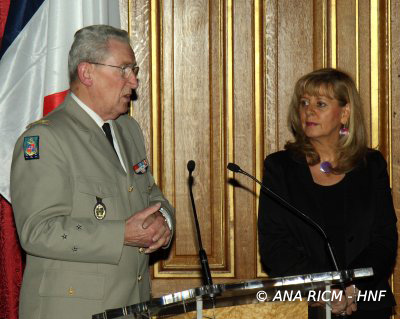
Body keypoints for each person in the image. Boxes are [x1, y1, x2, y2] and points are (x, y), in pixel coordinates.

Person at [10, 25, 175, 319]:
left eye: (133, 69)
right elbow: (37, 231)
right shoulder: (45, 139)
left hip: (130, 306)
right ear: (87, 73)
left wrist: (164, 221)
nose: (134, 81)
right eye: (124, 69)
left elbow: (150, 193)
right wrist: (120, 234)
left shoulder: (128, 130)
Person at [258, 68, 397, 318]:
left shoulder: (371, 165)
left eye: (320, 104)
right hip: (306, 306)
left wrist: (353, 287)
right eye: (304, 103)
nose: (308, 111)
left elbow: (384, 240)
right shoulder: (280, 168)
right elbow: (274, 246)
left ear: (345, 113)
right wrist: (323, 290)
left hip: (367, 302)